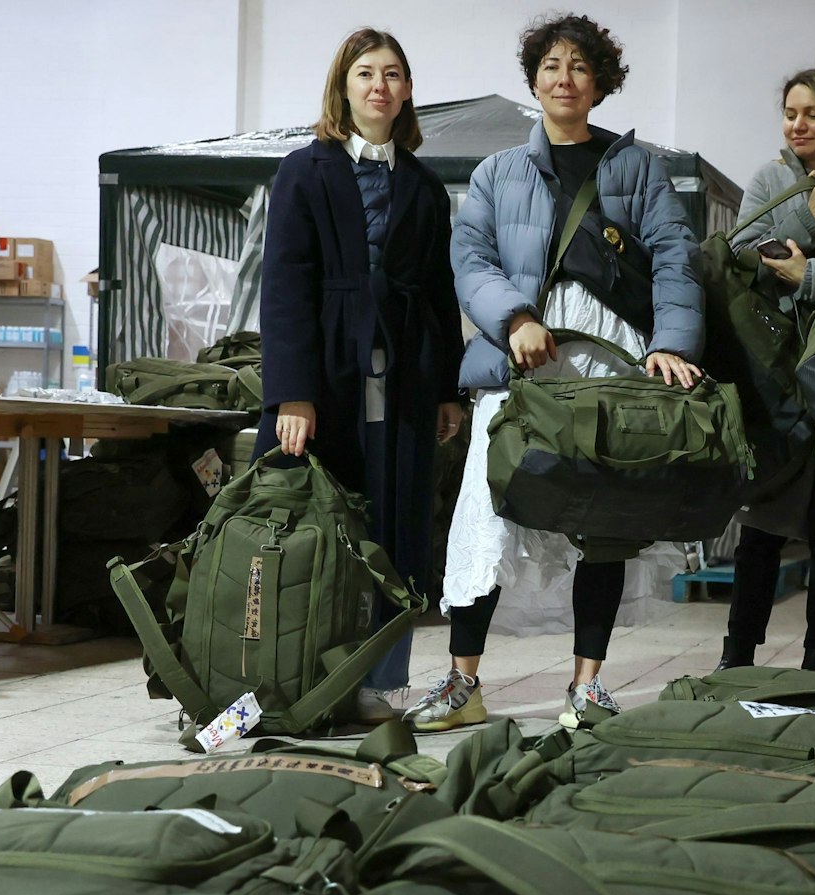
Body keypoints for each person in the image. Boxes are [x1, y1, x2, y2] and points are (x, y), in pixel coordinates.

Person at [408, 12, 704, 731]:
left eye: (578, 66)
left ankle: (586, 685)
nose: (563, 78)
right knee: (488, 500)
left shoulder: (638, 168)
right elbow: (469, 259)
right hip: (522, 359)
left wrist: (672, 342)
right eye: (551, 65)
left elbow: (675, 256)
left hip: (611, 357)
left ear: (600, 82)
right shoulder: (496, 172)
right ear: (534, 80)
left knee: (601, 512)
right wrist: (514, 317)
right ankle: (462, 678)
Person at [258, 27, 463, 723]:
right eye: (366, 73)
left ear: (407, 93)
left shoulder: (426, 187)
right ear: (343, 88)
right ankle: (292, 676)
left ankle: (381, 684)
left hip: (405, 378)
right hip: (326, 379)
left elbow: (440, 292)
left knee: (398, 530)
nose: (381, 86)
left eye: (394, 75)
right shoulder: (304, 171)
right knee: (313, 525)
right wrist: (293, 391)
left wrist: (446, 390)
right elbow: (284, 286)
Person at [717, 68, 815, 674]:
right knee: (761, 522)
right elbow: (740, 252)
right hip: (774, 373)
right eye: (790, 113)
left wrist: (808, 274)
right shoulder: (772, 178)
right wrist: (806, 216)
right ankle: (737, 658)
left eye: (811, 113)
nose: (798, 124)